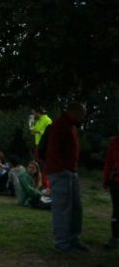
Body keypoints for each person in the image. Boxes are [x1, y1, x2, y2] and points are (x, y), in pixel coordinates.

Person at [44, 102, 88, 254]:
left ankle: (73, 240)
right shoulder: (60, 125)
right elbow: (53, 150)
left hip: (69, 172)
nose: (84, 118)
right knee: (62, 209)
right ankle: (62, 244)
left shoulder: (71, 126)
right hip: (61, 172)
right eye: (83, 114)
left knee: (76, 209)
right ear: (74, 112)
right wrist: (62, 169)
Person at [103, 128, 119, 250]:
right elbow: (108, 162)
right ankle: (115, 238)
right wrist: (106, 179)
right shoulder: (114, 142)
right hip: (116, 182)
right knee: (117, 210)